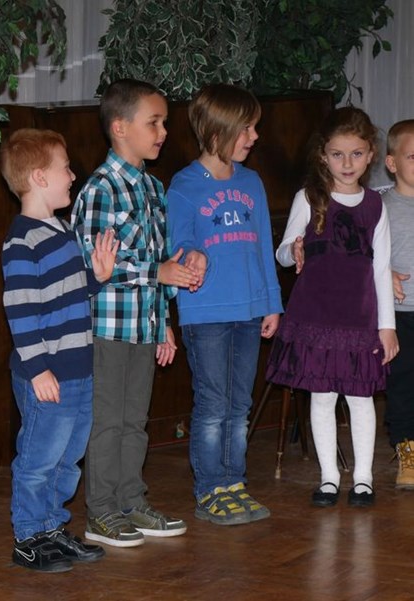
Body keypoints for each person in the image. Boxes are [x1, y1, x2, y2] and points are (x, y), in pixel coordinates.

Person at [70, 79, 196, 549]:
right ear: (120, 128)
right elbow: (96, 266)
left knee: (134, 422)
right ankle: (101, 511)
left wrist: (163, 321)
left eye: (164, 123)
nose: (163, 132)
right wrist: (158, 272)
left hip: (143, 326)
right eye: (154, 123)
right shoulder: (101, 190)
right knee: (106, 423)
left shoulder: (151, 187)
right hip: (106, 327)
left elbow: (160, 258)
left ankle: (130, 501)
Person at [267, 107, 397, 508]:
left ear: (371, 155)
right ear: (323, 155)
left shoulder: (375, 205)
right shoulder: (308, 198)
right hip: (315, 316)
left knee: (360, 398)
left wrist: (387, 326)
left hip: (358, 319)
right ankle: (328, 477)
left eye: (356, 154)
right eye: (338, 154)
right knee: (321, 397)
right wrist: (294, 249)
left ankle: (363, 478)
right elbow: (283, 252)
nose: (347, 163)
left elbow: (381, 268)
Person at [0, 128, 117, 572]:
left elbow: (65, 294)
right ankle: (28, 537)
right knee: (39, 459)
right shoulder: (22, 242)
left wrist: (96, 278)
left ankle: (51, 527)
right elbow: (21, 310)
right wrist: (38, 369)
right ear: (38, 177)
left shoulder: (60, 230)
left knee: (68, 458)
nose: (72, 176)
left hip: (76, 369)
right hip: (47, 373)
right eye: (65, 168)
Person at [168, 83, 283, 525]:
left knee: (239, 406)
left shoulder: (252, 182)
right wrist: (192, 254)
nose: (254, 136)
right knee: (213, 405)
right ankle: (210, 489)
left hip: (250, 311)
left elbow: (263, 247)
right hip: (207, 314)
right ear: (219, 132)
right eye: (247, 128)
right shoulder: (184, 186)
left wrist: (272, 303)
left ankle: (234, 482)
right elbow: (179, 242)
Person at [380, 119, 414, 488]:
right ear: (392, 163)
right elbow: (364, 255)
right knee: (403, 384)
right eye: (413, 157)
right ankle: (407, 450)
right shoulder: (381, 207)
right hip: (400, 314)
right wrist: (385, 271)